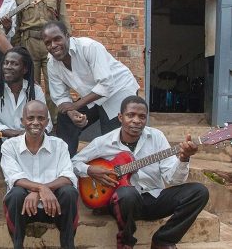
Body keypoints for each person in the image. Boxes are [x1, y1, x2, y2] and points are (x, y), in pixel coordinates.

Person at [72, 96, 209, 249]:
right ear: (120, 117)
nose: (136, 120)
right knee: (128, 194)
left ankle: (163, 240)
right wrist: (90, 170)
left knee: (199, 192)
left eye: (142, 116)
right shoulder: (103, 142)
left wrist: (184, 158)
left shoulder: (157, 137)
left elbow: (174, 180)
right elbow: (73, 163)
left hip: (153, 198)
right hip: (120, 203)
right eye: (131, 115)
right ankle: (125, 243)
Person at [42, 21, 140, 157]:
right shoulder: (52, 63)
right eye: (48, 43)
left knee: (112, 140)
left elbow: (106, 84)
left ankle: (119, 171)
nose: (53, 45)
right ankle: (65, 164)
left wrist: (75, 105)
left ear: (67, 35)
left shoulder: (89, 47)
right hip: (94, 95)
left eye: (57, 39)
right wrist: (72, 112)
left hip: (119, 92)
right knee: (65, 118)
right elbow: (59, 96)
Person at [0, 46, 52, 222]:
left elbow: (46, 124)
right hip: (1, 139)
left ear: (25, 69)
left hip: (29, 140)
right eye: (6, 63)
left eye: (14, 63)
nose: (8, 67)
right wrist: (12, 133)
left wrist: (28, 134)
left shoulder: (34, 90)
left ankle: (38, 192)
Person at [1, 100, 79, 249]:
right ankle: (18, 245)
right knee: (16, 194)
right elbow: (14, 177)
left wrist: (41, 190)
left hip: (54, 206)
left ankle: (68, 245)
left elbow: (68, 177)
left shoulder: (60, 145)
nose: (36, 122)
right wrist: (41, 189)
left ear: (47, 122)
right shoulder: (10, 146)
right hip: (25, 207)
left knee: (69, 193)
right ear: (22, 121)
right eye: (30, 118)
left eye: (41, 118)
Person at [12, 0, 71, 124]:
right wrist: (16, 49)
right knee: (30, 86)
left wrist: (68, 43)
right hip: (28, 44)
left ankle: (55, 124)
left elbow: (64, 19)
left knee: (55, 87)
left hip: (51, 46)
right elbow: (17, 24)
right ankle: (30, 123)